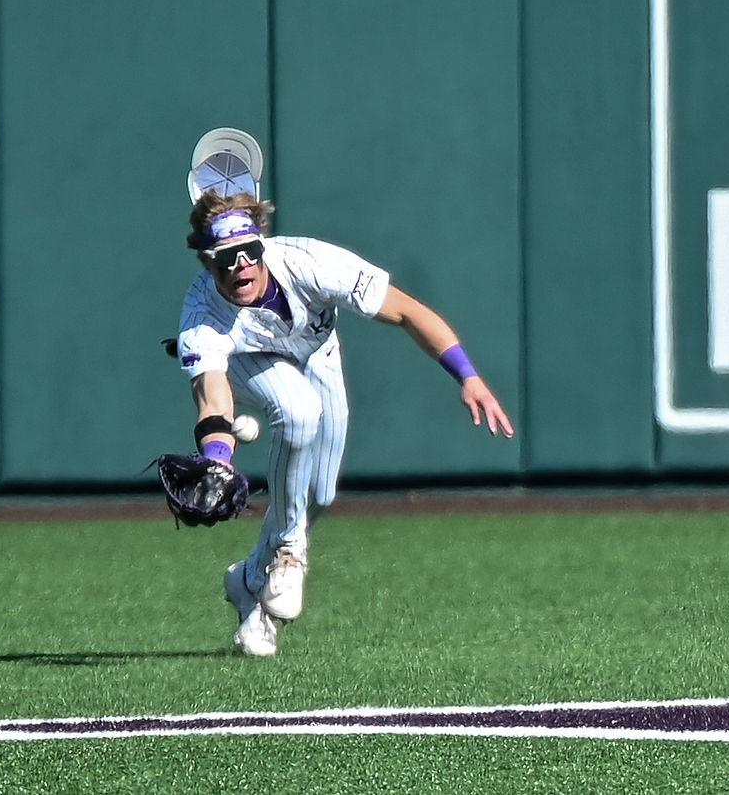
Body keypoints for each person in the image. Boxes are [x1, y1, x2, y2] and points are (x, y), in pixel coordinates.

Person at [175, 168, 515, 658]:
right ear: (209, 264)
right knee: (298, 412)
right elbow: (212, 396)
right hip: (249, 360)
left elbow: (408, 312)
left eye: (249, 251)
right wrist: (219, 458)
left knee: (323, 493)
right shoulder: (203, 313)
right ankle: (290, 551)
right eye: (226, 258)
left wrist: (468, 375)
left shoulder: (312, 263)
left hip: (316, 353)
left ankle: (249, 581)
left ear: (262, 245)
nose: (242, 266)